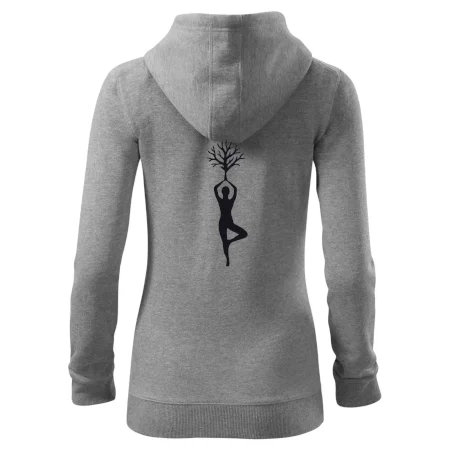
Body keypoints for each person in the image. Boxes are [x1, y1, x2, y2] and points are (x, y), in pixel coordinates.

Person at [214, 178, 248, 266]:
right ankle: (227, 258)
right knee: (243, 234)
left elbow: (215, 188)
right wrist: (227, 181)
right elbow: (235, 189)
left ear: (223, 192)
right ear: (228, 192)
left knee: (226, 241)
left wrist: (223, 180)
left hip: (224, 222)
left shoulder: (221, 201)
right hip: (227, 222)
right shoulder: (230, 201)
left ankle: (228, 249)